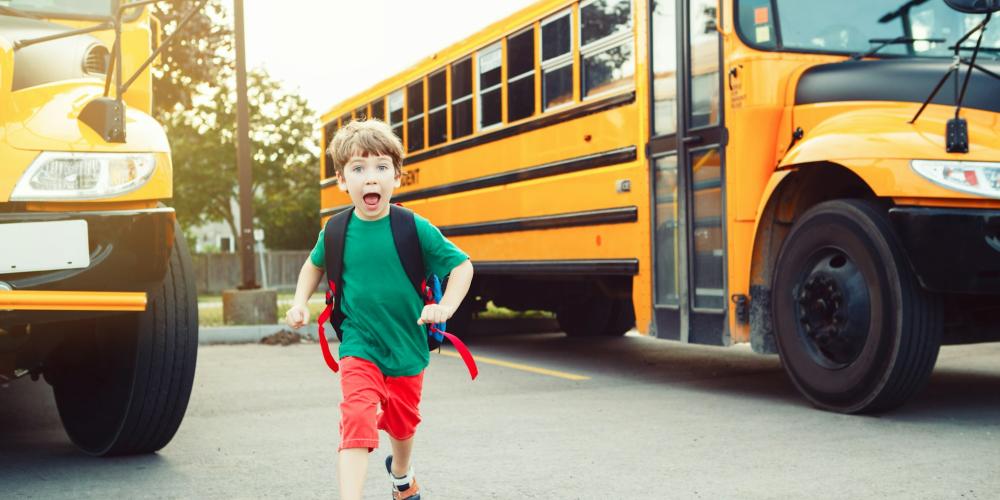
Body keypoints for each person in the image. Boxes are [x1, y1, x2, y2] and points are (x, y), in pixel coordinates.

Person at [285, 118, 473, 500]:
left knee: (402, 426)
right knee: (356, 417)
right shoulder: (335, 230)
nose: (370, 178)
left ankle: (401, 475)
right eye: (358, 169)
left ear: (397, 178)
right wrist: (299, 302)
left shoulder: (412, 227)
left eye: (381, 168)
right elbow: (314, 265)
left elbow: (461, 266)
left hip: (407, 344)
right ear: (342, 181)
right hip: (360, 343)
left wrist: (446, 307)